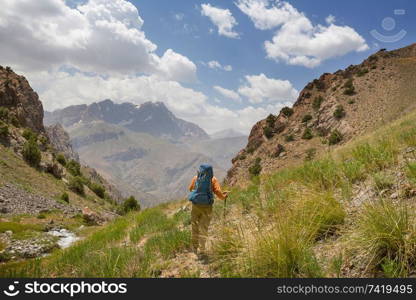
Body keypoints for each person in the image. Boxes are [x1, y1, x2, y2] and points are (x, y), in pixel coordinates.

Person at [188, 164, 228, 256]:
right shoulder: (213, 179)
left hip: (195, 206)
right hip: (207, 207)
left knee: (195, 227)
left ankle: (194, 248)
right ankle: (202, 250)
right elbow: (218, 192)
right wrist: (224, 196)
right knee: (203, 228)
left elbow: (190, 189)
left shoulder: (196, 178)